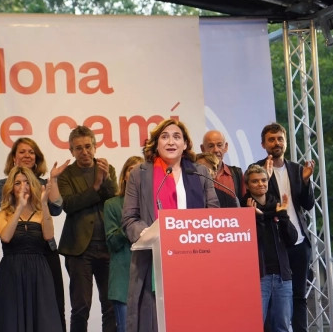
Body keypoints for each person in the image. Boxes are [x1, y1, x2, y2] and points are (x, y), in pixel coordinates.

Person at [121, 119, 219, 332]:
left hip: (195, 259)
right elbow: (129, 219)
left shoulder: (199, 173)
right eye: (164, 136)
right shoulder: (140, 174)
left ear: (185, 144)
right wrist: (146, 233)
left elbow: (213, 214)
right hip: (154, 262)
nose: (171, 141)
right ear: (156, 144)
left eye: (177, 136)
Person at [0, 137, 69, 330]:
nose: (23, 186)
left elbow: (57, 210)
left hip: (42, 260)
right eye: (18, 183)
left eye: (31, 152)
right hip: (14, 267)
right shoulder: (3, 202)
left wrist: (51, 183)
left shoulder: (44, 187)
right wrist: (19, 207)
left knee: (47, 313)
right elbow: (6, 236)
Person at [255, 123, 316, 332]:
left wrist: (306, 182)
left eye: (280, 139)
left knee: (299, 296)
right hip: (274, 245)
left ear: (286, 142)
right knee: (273, 300)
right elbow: (263, 204)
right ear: (263, 144)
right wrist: (268, 177)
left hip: (299, 242)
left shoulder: (298, 169)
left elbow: (308, 205)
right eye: (271, 139)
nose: (276, 143)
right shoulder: (258, 170)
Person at [57, 125, 118, 332]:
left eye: (88, 147)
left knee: (110, 306)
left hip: (108, 247)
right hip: (79, 250)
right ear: (71, 151)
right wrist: (95, 187)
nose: (84, 152)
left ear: (95, 146)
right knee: (81, 307)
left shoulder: (107, 168)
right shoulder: (66, 175)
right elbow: (69, 205)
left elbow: (113, 199)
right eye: (79, 148)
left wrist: (105, 180)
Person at [243, 164, 298, 332]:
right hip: (259, 278)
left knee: (282, 327)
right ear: (247, 185)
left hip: (283, 277)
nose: (260, 184)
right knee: (255, 326)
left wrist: (282, 216)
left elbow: (292, 240)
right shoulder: (242, 210)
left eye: (264, 180)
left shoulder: (278, 207)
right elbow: (249, 244)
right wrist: (256, 219)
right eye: (255, 181)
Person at [103, 155, 143, 332]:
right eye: (130, 169)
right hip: (123, 281)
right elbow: (112, 242)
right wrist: (130, 224)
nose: (135, 173)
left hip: (149, 279)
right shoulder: (112, 204)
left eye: (141, 169)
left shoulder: (153, 204)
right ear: (124, 176)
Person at [200, 130, 245, 201]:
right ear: (202, 149)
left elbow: (243, 203)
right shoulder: (196, 174)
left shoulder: (236, 173)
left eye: (219, 145)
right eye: (211, 146)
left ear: (226, 147)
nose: (216, 150)